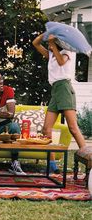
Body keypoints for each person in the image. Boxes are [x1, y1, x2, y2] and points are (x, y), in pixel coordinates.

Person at [32, 33, 86, 172]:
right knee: (46, 129)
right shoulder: (51, 56)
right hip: (55, 90)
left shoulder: (66, 51)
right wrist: (47, 34)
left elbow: (62, 61)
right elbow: (35, 43)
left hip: (64, 88)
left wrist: (53, 43)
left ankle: (89, 159)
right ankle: (52, 165)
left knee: (73, 127)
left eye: (52, 42)